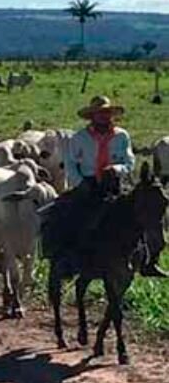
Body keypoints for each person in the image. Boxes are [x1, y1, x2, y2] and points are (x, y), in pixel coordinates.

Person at [47, 95, 166, 277]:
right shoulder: (80, 138)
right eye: (99, 114)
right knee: (68, 216)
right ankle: (65, 259)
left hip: (115, 184)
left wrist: (117, 169)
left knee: (144, 216)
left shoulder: (121, 136)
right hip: (88, 184)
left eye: (107, 113)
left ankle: (149, 260)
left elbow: (129, 161)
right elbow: (70, 164)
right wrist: (80, 183)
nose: (104, 117)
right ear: (92, 116)